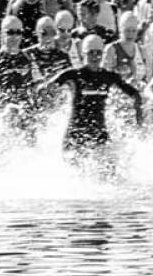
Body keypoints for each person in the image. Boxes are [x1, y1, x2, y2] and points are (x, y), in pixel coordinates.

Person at [41, 34, 144, 177]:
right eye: (91, 53)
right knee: (74, 175)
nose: (95, 57)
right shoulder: (74, 75)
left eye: (98, 53)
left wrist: (138, 117)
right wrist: (49, 103)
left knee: (111, 173)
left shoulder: (109, 76)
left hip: (99, 131)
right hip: (75, 132)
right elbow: (45, 89)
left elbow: (135, 94)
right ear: (84, 54)